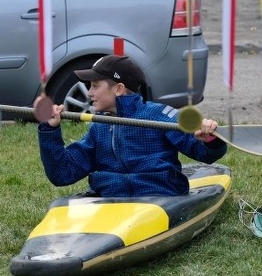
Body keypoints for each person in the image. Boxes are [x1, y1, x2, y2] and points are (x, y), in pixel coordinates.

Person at [37, 55, 227, 197]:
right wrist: (50, 130)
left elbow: (205, 154)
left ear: (118, 89)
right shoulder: (99, 126)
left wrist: (209, 137)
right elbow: (62, 173)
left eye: (95, 86)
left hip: (158, 195)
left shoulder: (157, 116)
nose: (89, 93)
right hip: (111, 199)